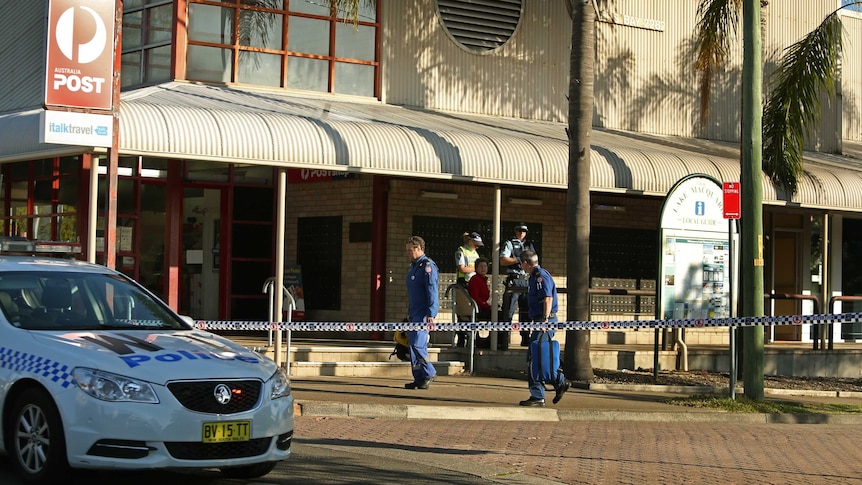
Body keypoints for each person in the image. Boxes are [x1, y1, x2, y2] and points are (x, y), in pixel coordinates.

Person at [518, 249, 572, 407]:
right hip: (540, 321)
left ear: (525, 263)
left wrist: (544, 320)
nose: (522, 267)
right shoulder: (536, 276)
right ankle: (559, 383)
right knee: (539, 356)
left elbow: (547, 298)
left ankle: (539, 395)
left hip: (544, 322)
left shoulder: (540, 276)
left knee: (535, 357)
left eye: (522, 264)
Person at [404, 235, 438, 389]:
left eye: (410, 251)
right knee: (412, 346)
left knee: (418, 345)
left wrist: (431, 313)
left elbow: (432, 291)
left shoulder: (427, 266)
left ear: (419, 249)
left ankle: (429, 372)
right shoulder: (414, 267)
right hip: (414, 313)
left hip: (423, 314)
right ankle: (419, 378)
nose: (408, 254)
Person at [499, 223, 536, 348]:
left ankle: (525, 338)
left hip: (526, 279)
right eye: (519, 230)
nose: (521, 233)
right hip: (514, 279)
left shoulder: (529, 245)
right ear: (515, 231)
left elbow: (535, 261)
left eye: (524, 231)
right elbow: (503, 260)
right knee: (508, 310)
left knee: (526, 310)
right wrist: (518, 259)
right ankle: (504, 339)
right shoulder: (509, 243)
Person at [467, 257, 493, 321]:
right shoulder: (475, 280)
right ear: (476, 268)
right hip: (477, 309)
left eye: (485, 266)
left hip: (481, 307)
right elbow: (475, 297)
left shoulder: (483, 280)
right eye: (481, 266)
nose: (483, 268)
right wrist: (487, 306)